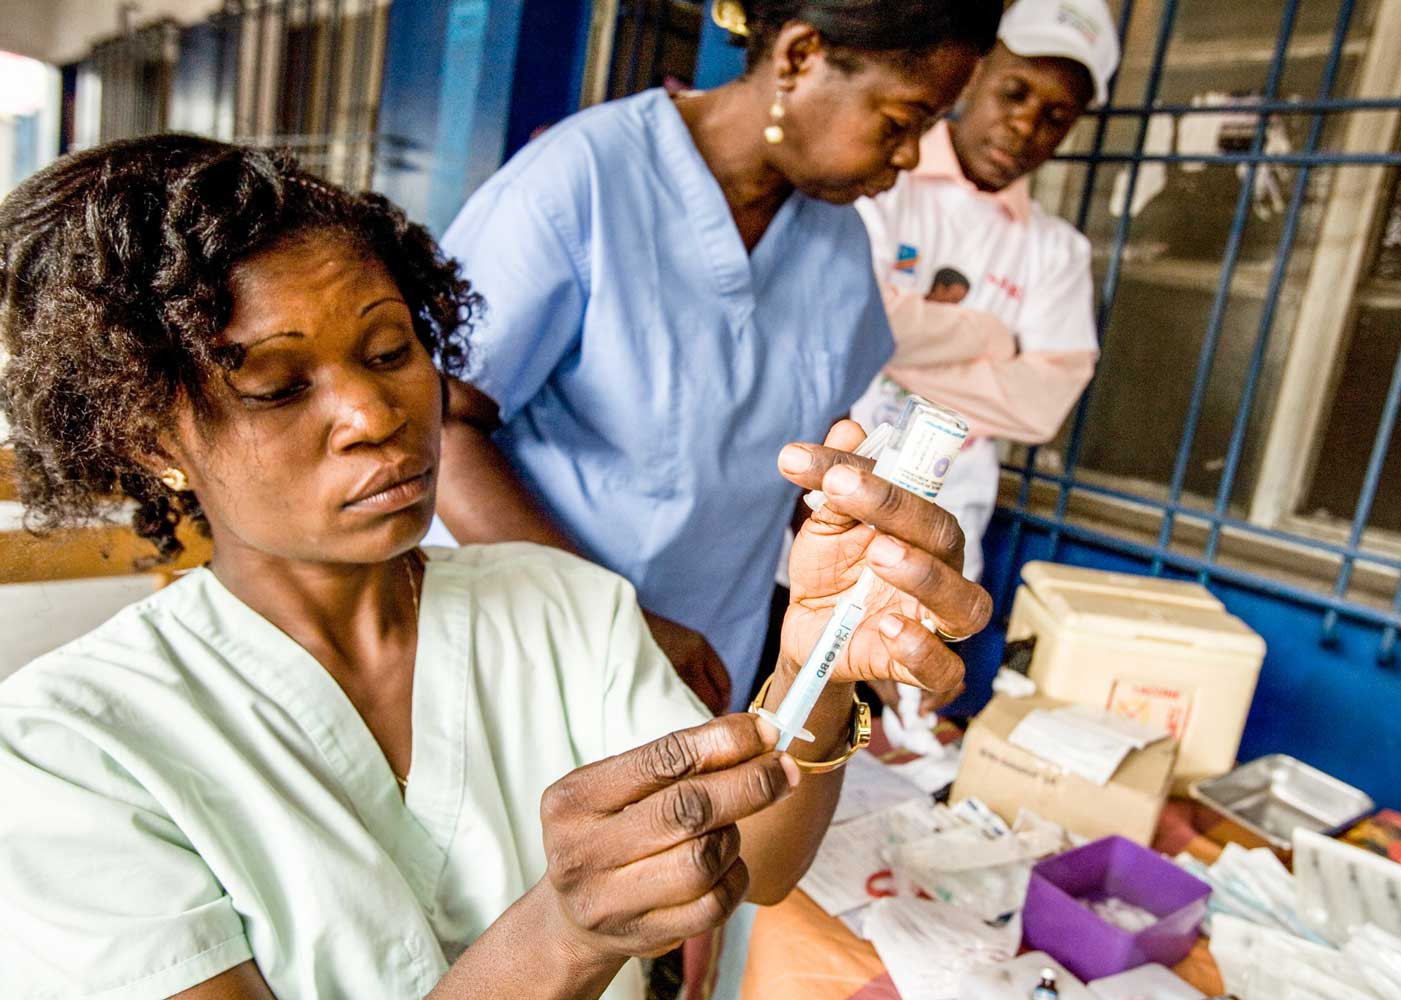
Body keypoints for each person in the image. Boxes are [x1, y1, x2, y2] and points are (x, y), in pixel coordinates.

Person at [0, 137, 992, 1000]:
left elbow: (761, 860)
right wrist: (565, 936)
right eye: (278, 385)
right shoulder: (69, 748)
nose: (374, 415)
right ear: (148, 440)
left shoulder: (562, 606)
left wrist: (815, 670)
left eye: (391, 351)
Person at [434, 0, 1002, 713]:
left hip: (704, 669)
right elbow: (442, 429)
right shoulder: (583, 183)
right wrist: (615, 623)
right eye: (899, 121)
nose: (911, 156)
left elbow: (822, 467)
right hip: (529, 651)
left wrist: (870, 598)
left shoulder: (838, 246)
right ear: (799, 57)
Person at [853, 0, 1120, 584]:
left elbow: (1041, 404)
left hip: (940, 541)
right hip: (819, 513)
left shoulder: (1057, 252)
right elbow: (856, 321)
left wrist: (891, 350)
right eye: (1015, 93)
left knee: (901, 667)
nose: (1026, 126)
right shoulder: (883, 178)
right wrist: (989, 335)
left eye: (1055, 117)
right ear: (975, 74)